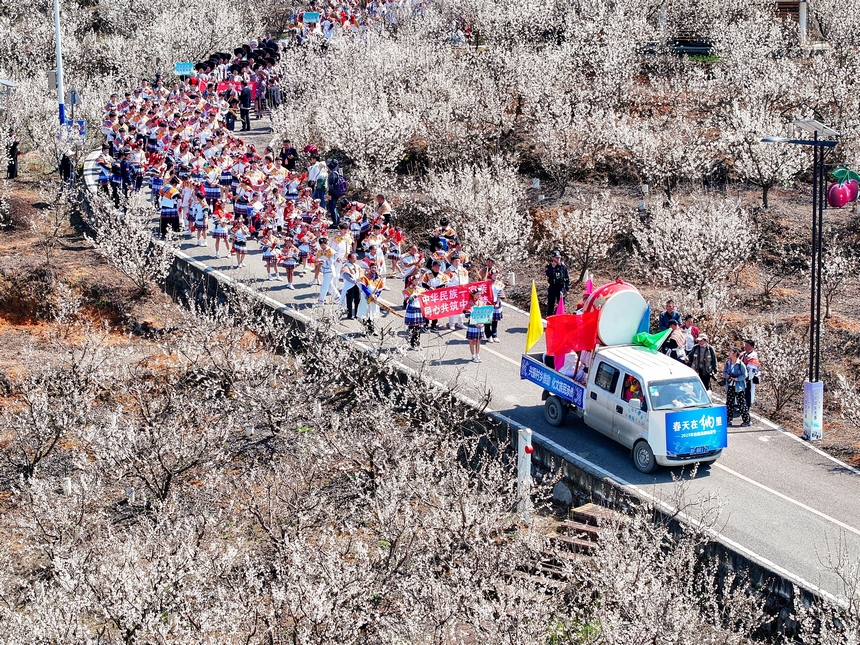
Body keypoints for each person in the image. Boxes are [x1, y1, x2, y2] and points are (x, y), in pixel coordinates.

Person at [726, 347, 751, 427]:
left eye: (731, 352)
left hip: (738, 387)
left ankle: (746, 420)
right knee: (729, 403)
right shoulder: (728, 363)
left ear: (735, 354)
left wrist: (737, 378)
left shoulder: (740, 364)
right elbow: (724, 371)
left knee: (741, 403)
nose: (729, 353)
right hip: (730, 385)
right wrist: (726, 376)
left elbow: (745, 375)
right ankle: (728, 419)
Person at [403, 274, 426, 349]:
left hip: (419, 309)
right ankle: (412, 343)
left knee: (418, 327)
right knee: (412, 327)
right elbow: (407, 301)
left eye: (418, 280)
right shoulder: (407, 290)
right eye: (415, 280)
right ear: (412, 281)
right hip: (412, 309)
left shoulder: (421, 289)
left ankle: (417, 343)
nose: (417, 282)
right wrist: (413, 296)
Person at [464, 287, 487, 363]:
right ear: (473, 295)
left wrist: (483, 323)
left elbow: (486, 314)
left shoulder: (482, 302)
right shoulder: (470, 303)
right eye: (477, 294)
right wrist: (475, 322)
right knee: (472, 341)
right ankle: (473, 355)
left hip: (480, 324)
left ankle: (478, 354)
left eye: (480, 294)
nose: (479, 296)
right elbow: (467, 314)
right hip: (473, 324)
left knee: (478, 341)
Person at [545, 250, 570, 317]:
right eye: (556, 257)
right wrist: (552, 268)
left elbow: (567, 278)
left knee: (561, 305)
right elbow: (548, 274)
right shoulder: (549, 266)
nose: (558, 259)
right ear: (553, 258)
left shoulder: (563, 266)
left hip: (560, 288)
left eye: (559, 257)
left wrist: (567, 289)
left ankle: (559, 321)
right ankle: (549, 321)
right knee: (551, 305)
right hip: (552, 287)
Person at [741, 339, 761, 409]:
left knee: (748, 392)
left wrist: (747, 378)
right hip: (742, 376)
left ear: (752, 347)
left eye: (747, 345)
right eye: (745, 345)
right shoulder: (744, 354)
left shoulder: (753, 358)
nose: (745, 347)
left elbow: (751, 370)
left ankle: (747, 405)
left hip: (749, 378)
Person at [340, 252, 361, 319]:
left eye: (355, 258)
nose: (355, 259)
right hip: (349, 286)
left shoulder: (357, 266)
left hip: (357, 286)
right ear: (349, 258)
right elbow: (347, 277)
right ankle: (349, 315)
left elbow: (361, 273)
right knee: (349, 301)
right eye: (353, 258)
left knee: (357, 300)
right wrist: (355, 281)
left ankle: (357, 314)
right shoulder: (346, 266)